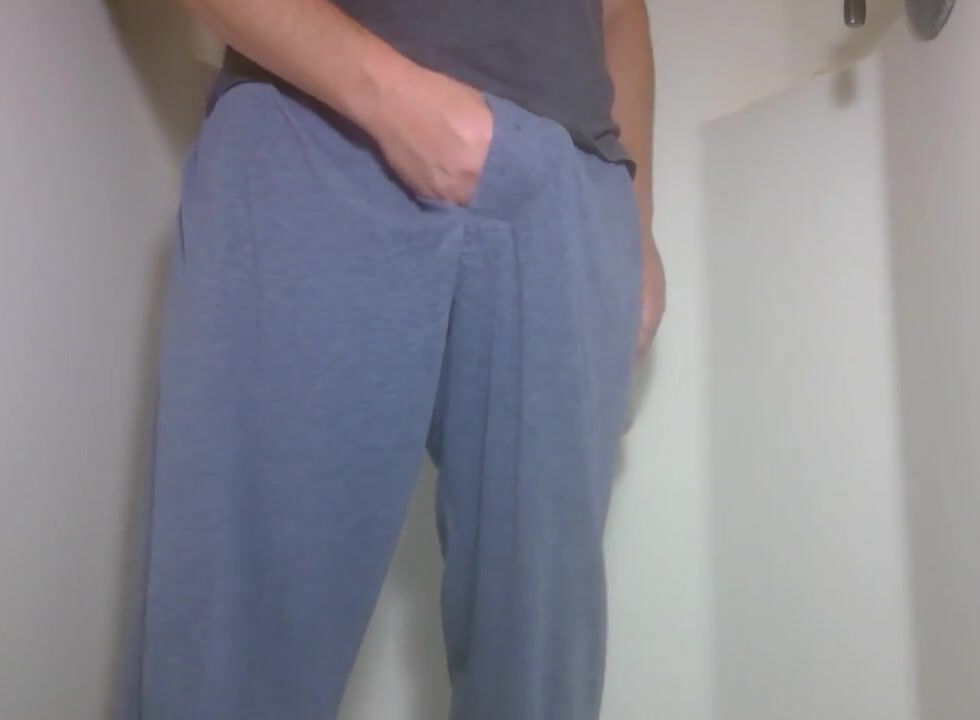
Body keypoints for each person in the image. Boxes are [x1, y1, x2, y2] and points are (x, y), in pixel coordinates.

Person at [113, 0, 664, 717]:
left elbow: (621, 11)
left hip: (569, 186)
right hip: (317, 113)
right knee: (231, 649)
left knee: (540, 670)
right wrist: (384, 91)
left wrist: (636, 215)